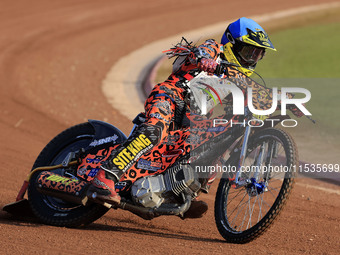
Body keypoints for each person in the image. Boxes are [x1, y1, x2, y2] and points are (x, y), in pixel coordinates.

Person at [84, 17, 277, 218]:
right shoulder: (215, 49)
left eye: (257, 55)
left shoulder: (237, 78)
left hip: (192, 119)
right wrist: (205, 60)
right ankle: (105, 176)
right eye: (248, 52)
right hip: (171, 96)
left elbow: (241, 106)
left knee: (214, 151)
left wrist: (283, 103)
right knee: (153, 131)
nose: (251, 59)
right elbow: (202, 52)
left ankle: (178, 193)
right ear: (231, 43)